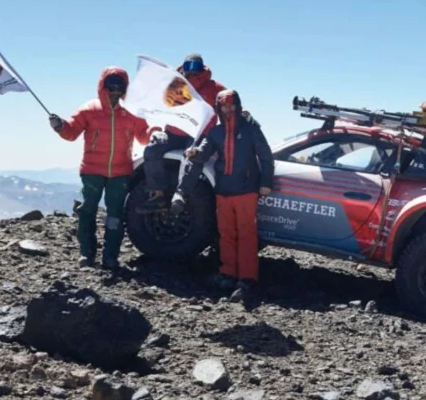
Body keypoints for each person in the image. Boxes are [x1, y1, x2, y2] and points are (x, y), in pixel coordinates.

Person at [171, 89, 274, 308]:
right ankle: (228, 274)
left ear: (237, 105)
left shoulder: (251, 130)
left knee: (246, 234)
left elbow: (266, 156)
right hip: (224, 191)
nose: (228, 110)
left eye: (231, 105)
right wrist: (194, 153)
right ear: (218, 109)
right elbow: (205, 152)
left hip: (247, 190)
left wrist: (266, 183)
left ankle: (247, 279)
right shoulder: (216, 132)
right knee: (226, 234)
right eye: (224, 106)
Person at [49, 67, 154, 269]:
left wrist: (155, 132)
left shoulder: (131, 112)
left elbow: (143, 134)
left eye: (119, 87)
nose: (115, 91)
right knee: (87, 211)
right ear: (103, 86)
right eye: (111, 86)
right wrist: (60, 125)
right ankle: (86, 255)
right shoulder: (89, 110)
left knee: (114, 215)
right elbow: (71, 132)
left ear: (125, 89)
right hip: (92, 172)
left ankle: (110, 257)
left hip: (120, 172)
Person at [139, 54, 228, 212]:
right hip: (173, 132)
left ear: (203, 68)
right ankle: (157, 194)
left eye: (197, 67)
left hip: (198, 134)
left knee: (192, 155)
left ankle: (181, 195)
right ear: (183, 66)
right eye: (189, 67)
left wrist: (241, 115)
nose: (193, 72)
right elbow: (161, 104)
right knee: (153, 148)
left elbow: (229, 104)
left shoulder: (215, 88)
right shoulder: (174, 84)